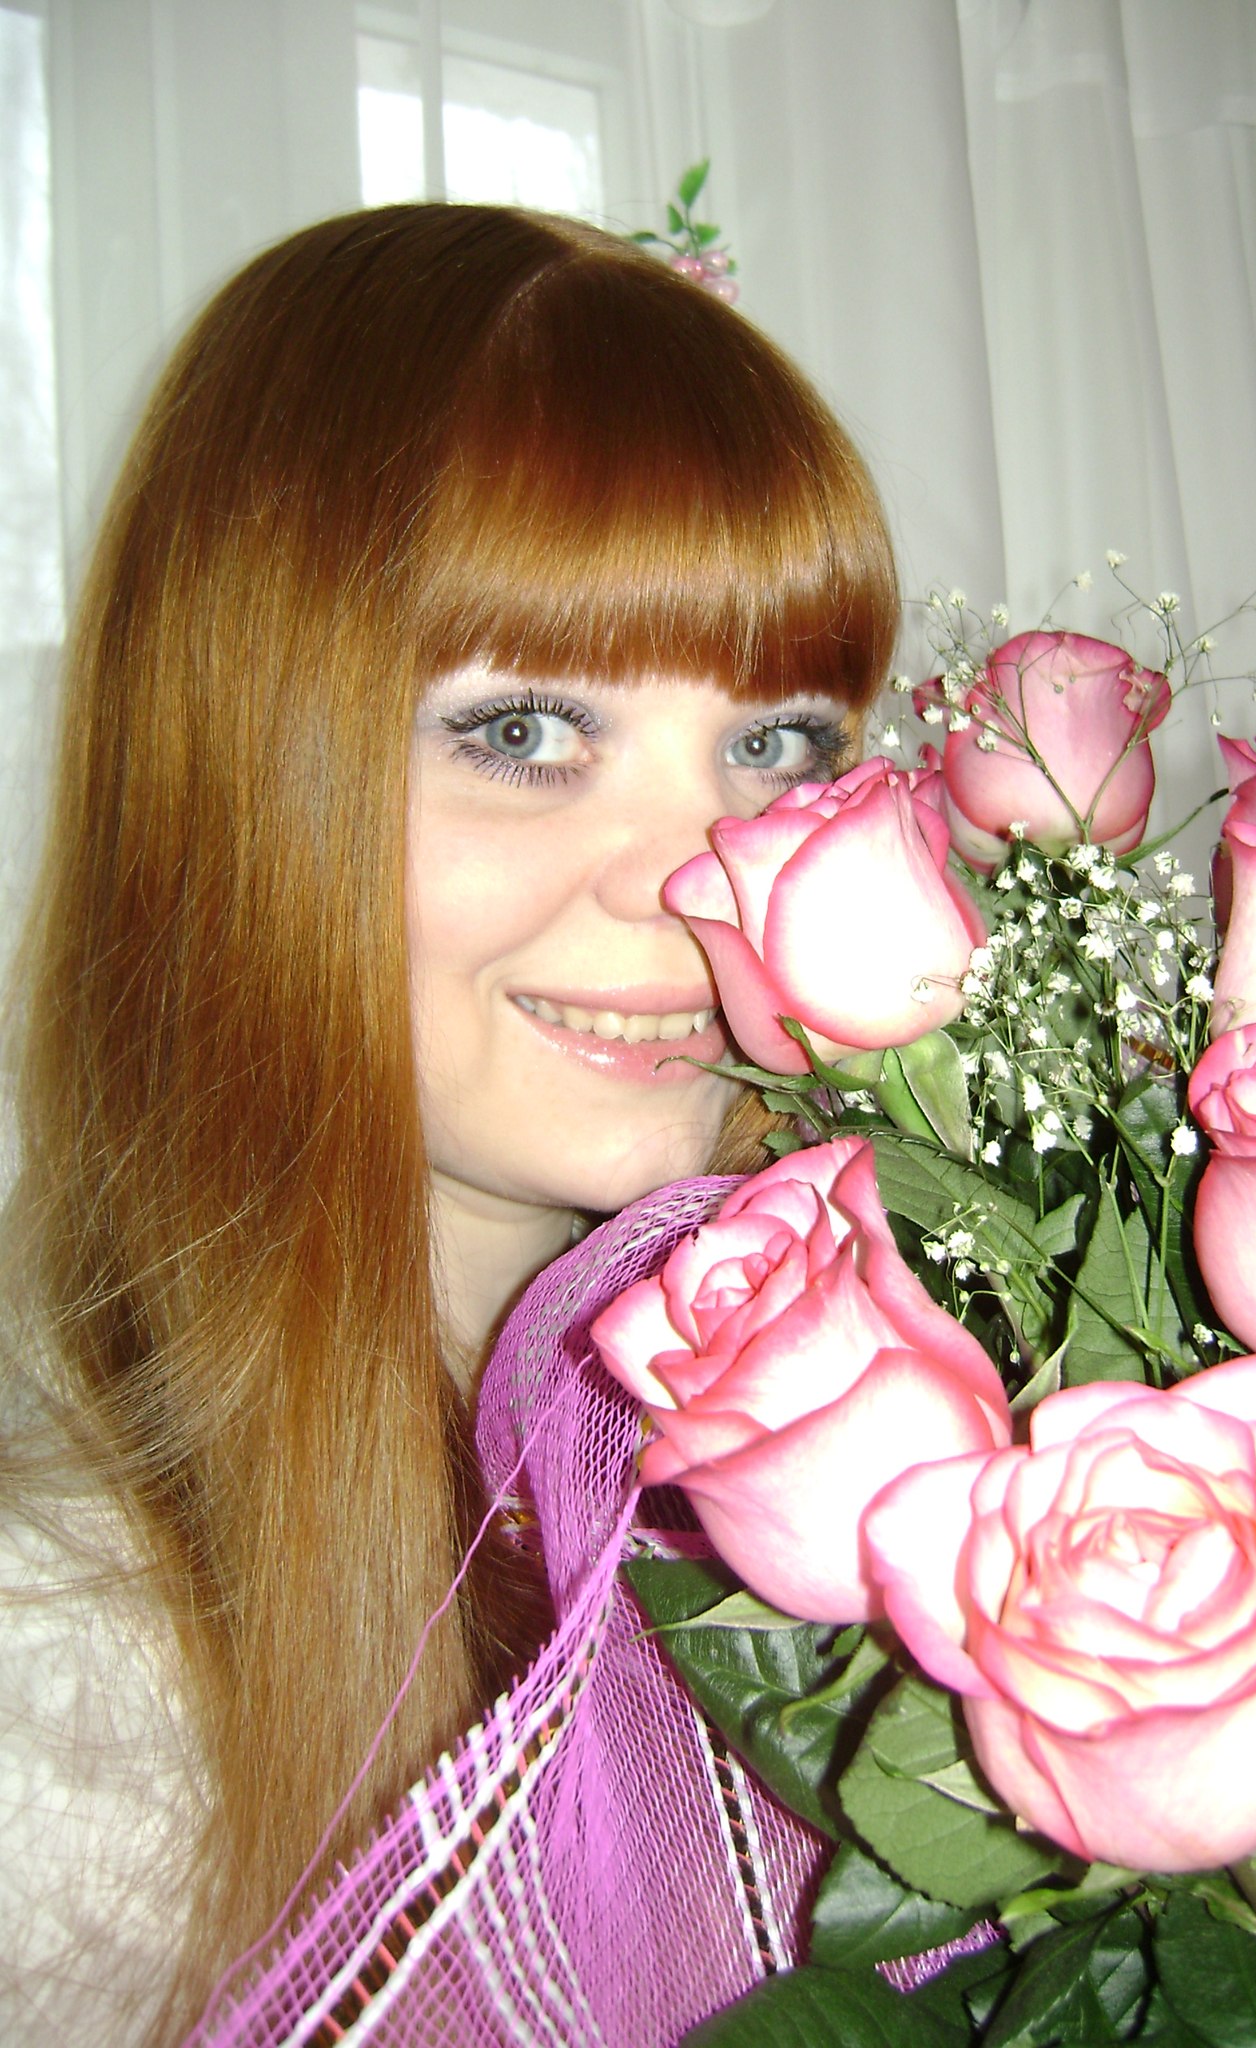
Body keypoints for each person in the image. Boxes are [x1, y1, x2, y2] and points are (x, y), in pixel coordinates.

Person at [0, 203, 897, 2045]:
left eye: (777, 742)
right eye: (524, 732)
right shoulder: (60, 1684)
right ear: (234, 762)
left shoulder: (902, 1397)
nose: (707, 878)